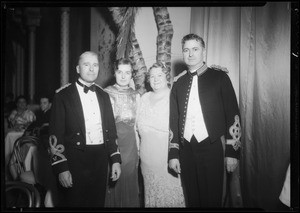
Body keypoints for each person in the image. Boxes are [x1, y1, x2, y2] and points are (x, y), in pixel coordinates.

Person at [168, 33, 242, 208]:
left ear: (203, 51)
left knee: (213, 199)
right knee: (192, 197)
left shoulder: (220, 77)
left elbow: (233, 115)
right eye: (186, 50)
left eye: (195, 49)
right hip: (187, 149)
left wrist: (232, 152)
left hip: (213, 147)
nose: (190, 54)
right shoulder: (178, 83)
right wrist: (173, 154)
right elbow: (174, 120)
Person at [49, 51, 121, 207]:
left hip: (100, 162)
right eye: (86, 64)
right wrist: (61, 167)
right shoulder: (62, 96)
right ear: (77, 69)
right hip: (74, 161)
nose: (91, 69)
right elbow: (55, 135)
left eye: (95, 65)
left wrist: (115, 159)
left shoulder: (104, 95)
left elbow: (111, 130)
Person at [136, 62, 185, 207]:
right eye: (152, 76)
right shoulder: (144, 97)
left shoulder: (174, 97)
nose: (155, 79)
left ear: (167, 77)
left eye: (159, 75)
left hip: (166, 162)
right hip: (146, 163)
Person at [104, 58, 140, 207]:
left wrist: (138, 149)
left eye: (127, 72)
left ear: (132, 75)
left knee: (129, 182)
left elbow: (137, 125)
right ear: (114, 73)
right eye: (120, 72)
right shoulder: (106, 93)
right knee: (112, 182)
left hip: (131, 147)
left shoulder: (136, 95)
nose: (124, 76)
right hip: (112, 145)